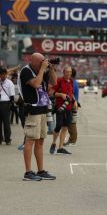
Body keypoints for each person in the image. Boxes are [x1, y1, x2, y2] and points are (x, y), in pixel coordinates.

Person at [19, 52, 57, 181]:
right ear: (33, 61)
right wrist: (42, 69)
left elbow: (54, 81)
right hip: (32, 110)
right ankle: (28, 172)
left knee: (40, 141)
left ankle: (40, 171)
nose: (43, 63)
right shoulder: (26, 71)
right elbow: (35, 84)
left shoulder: (42, 70)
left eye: (43, 61)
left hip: (42, 109)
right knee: (30, 140)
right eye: (41, 62)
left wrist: (51, 69)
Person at [50, 66, 76, 155]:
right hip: (60, 106)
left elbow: (71, 93)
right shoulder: (59, 80)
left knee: (65, 127)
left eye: (70, 72)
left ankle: (60, 147)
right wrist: (60, 94)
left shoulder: (71, 81)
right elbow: (52, 92)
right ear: (63, 72)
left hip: (69, 107)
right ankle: (53, 143)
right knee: (59, 125)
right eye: (67, 72)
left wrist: (75, 101)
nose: (69, 73)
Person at [0, 67, 15, 145]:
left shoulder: (9, 83)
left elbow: (12, 95)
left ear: (6, 74)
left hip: (5, 103)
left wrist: (12, 104)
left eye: (4, 74)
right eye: (1, 74)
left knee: (6, 122)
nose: (2, 76)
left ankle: (7, 139)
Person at [65, 68, 79, 147]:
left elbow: (71, 93)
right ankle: (72, 139)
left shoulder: (72, 82)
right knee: (70, 123)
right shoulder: (73, 82)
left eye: (68, 72)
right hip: (72, 104)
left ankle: (73, 140)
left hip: (72, 104)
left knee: (72, 123)